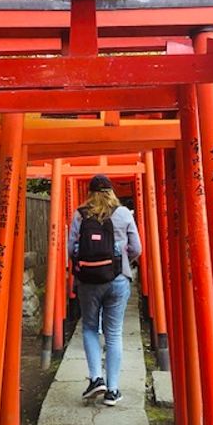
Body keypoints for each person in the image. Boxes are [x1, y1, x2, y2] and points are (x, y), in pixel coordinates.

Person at [68, 174, 142, 406]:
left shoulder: (80, 214)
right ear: (111, 191)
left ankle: (96, 378)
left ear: (89, 192)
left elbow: (71, 249)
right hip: (118, 280)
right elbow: (137, 248)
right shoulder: (122, 213)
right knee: (114, 333)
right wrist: (120, 262)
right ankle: (112, 389)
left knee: (90, 327)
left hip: (88, 281)